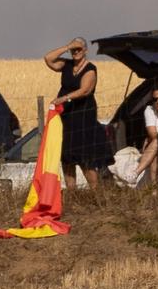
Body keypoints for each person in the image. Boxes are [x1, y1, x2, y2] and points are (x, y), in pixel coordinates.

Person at [45, 37, 112, 186]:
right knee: (67, 156)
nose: (76, 52)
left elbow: (84, 90)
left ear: (86, 50)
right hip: (66, 117)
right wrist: (67, 46)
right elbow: (48, 58)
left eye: (79, 49)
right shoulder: (66, 65)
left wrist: (64, 98)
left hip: (83, 117)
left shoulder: (90, 69)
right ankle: (72, 193)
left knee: (84, 157)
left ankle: (96, 192)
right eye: (73, 50)